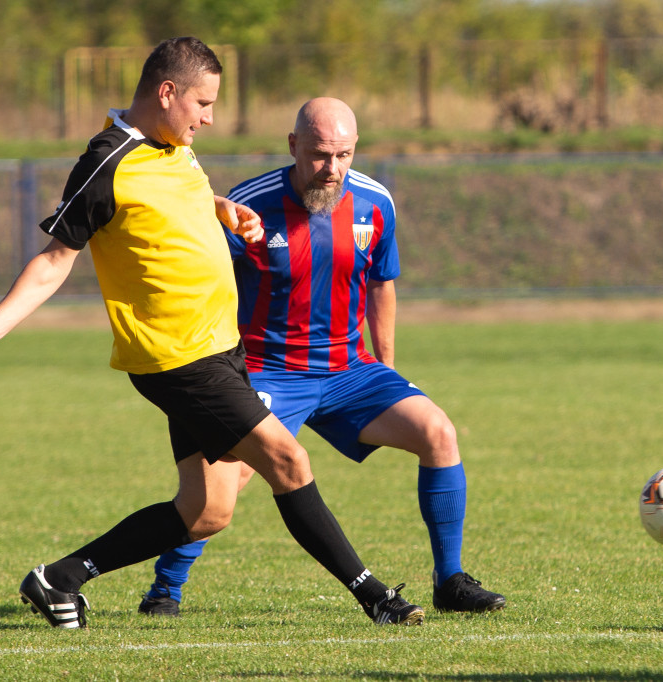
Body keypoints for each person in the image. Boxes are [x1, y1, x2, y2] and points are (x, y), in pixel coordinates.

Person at [0, 38, 424, 629]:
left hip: (220, 348)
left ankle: (59, 579)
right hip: (181, 360)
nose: (209, 117)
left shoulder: (174, 148)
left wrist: (219, 209)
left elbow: (166, 206)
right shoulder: (106, 162)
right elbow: (55, 259)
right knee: (289, 462)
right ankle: (378, 600)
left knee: (207, 509)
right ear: (167, 93)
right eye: (202, 102)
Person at [138, 97, 505, 618]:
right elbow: (201, 278)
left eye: (344, 155)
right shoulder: (249, 204)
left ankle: (449, 581)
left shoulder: (377, 203)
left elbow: (382, 285)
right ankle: (164, 590)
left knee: (438, 432)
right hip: (264, 369)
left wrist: (387, 366)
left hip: (349, 372)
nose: (330, 169)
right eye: (318, 155)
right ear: (293, 146)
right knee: (226, 479)